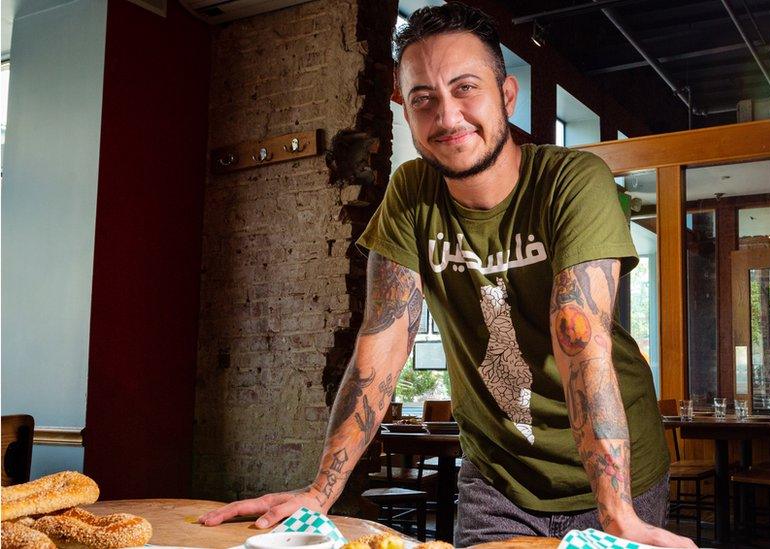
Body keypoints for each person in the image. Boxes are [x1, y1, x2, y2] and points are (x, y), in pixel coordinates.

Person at [199, 4, 694, 547]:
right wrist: (321, 492)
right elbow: (381, 347)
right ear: (406, 114)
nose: (447, 116)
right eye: (423, 99)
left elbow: (580, 339)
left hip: (618, 477)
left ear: (507, 95)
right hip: (499, 481)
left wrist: (618, 516)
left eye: (465, 88)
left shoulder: (572, 181)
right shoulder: (412, 194)